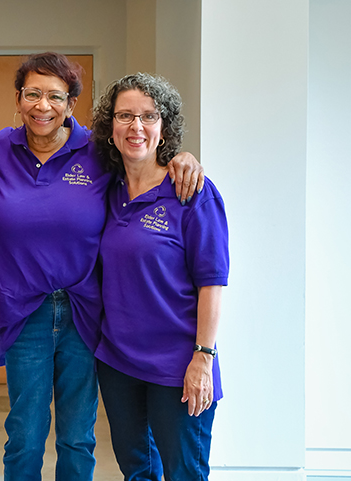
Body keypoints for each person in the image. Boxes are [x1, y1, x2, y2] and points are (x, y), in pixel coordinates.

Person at [0, 53, 204, 481]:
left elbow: (146, 162)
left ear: (71, 104)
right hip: (24, 311)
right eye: (32, 94)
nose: (42, 106)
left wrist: (183, 157)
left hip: (86, 311)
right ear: (18, 98)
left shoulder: (98, 152)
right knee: (25, 432)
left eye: (55, 96)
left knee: (77, 435)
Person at [91, 73, 228, 480]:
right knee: (137, 472)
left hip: (178, 367)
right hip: (118, 364)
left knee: (184, 473)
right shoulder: (107, 190)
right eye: (125, 116)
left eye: (149, 117)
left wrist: (203, 358)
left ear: (163, 127)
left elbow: (213, 281)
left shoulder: (192, 191)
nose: (136, 127)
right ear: (110, 127)